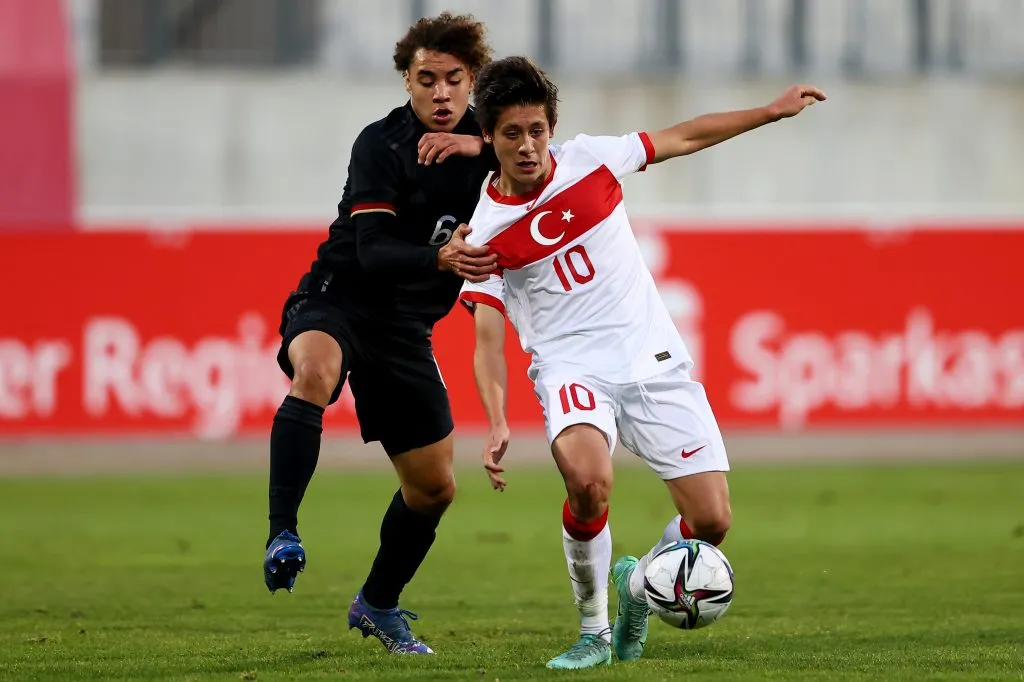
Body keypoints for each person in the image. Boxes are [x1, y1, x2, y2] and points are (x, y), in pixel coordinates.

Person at [459, 56, 825, 669]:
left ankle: (636, 590)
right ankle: (593, 633)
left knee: (710, 521)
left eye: (537, 131)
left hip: (649, 358)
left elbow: (683, 136)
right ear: (489, 138)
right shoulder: (487, 231)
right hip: (572, 370)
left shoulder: (591, 160)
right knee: (589, 482)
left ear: (552, 127)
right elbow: (488, 338)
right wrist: (497, 420)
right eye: (512, 134)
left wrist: (768, 111)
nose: (528, 147)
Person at [263, 13, 499, 655]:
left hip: (404, 329)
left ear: (472, 80)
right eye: (427, 80)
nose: (442, 93)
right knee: (314, 372)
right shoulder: (381, 144)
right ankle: (283, 531)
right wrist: (441, 260)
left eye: (454, 80)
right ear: (407, 81)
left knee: (434, 488)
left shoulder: (494, 143)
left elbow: (549, 158)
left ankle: (377, 604)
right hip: (340, 296)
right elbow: (371, 250)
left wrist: (484, 149)